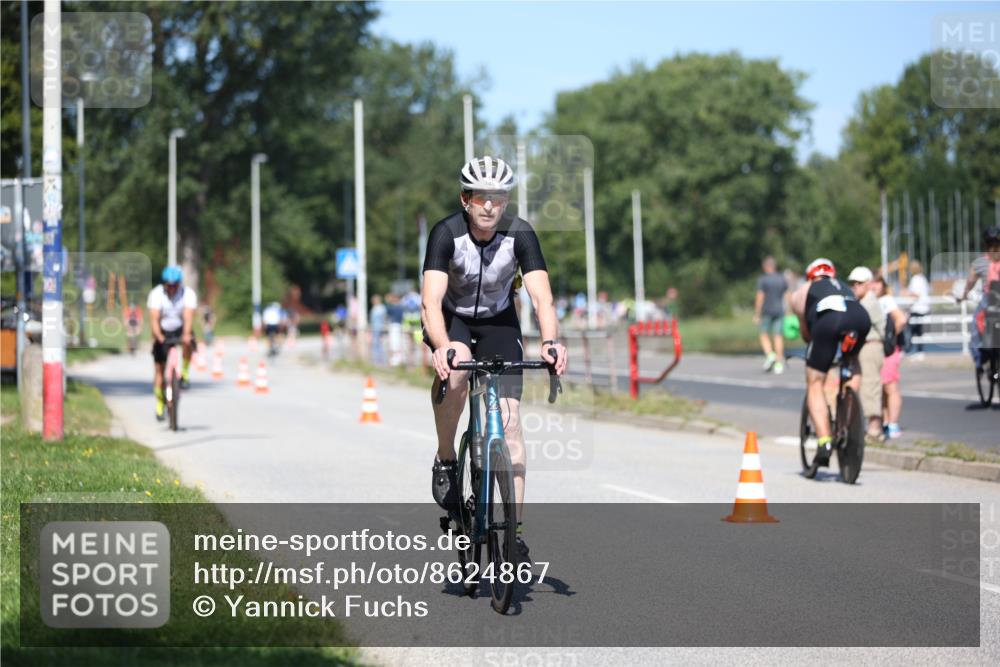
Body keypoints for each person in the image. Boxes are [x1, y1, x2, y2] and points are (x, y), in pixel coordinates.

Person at [422, 156, 568, 559]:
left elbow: (542, 297)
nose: (490, 206)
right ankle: (447, 458)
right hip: (451, 320)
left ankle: (514, 533)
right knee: (455, 375)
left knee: (512, 427)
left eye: (498, 198)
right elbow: (430, 301)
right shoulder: (446, 234)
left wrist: (551, 341)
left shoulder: (520, 234)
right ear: (465, 199)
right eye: (481, 197)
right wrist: (441, 347)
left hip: (499, 322)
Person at [790, 258, 871, 466]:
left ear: (810, 276)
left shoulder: (801, 292)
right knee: (852, 359)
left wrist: (818, 354)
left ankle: (824, 440)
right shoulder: (843, 286)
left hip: (829, 321)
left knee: (815, 382)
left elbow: (807, 333)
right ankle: (851, 410)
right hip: (860, 318)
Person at [147, 265, 197, 420]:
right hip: (162, 330)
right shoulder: (156, 294)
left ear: (179, 284)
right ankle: (160, 402)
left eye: (175, 285)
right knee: (159, 370)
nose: (172, 288)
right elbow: (154, 319)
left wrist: (187, 335)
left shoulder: (187, 294)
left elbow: (188, 317)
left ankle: (185, 373)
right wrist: (158, 336)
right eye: (169, 285)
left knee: (189, 341)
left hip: (180, 328)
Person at [847, 266, 886, 440]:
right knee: (863, 387)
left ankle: (875, 428)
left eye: (859, 283)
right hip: (863, 346)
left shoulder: (869, 302)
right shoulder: (862, 302)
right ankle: (867, 426)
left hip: (870, 346)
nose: (855, 286)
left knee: (870, 385)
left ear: (868, 284)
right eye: (853, 283)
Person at [958, 225, 1000, 372]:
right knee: (978, 321)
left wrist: (963, 296)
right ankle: (981, 357)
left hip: (991, 299)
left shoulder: (980, 263)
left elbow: (969, 283)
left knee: (976, 324)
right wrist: (964, 295)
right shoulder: (980, 263)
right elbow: (970, 282)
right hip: (991, 300)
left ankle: (980, 357)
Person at [872, 275, 907, 439]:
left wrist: (890, 338)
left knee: (890, 387)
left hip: (888, 350)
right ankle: (886, 422)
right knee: (882, 388)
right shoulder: (872, 301)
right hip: (879, 350)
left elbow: (900, 319)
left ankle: (892, 424)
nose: (874, 286)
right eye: (871, 282)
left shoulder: (886, 300)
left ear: (883, 285)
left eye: (877, 282)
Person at [753, 256, 788, 374]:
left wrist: (757, 313)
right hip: (780, 311)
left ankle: (770, 354)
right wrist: (790, 311)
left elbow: (760, 297)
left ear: (766, 266)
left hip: (767, 311)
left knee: (763, 334)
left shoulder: (763, 280)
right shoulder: (781, 279)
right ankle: (778, 363)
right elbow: (788, 295)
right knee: (778, 336)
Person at [902, 260, 930, 357]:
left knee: (911, 330)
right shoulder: (922, 279)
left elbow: (916, 294)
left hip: (918, 308)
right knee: (918, 331)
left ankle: (909, 349)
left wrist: (906, 293)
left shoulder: (916, 279)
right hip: (922, 307)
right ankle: (918, 351)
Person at [369, 294, 387, 365]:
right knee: (376, 344)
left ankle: (380, 360)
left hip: (379, 328)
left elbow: (383, 319)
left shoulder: (380, 308)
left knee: (379, 344)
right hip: (375, 328)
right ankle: (377, 360)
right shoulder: (376, 308)